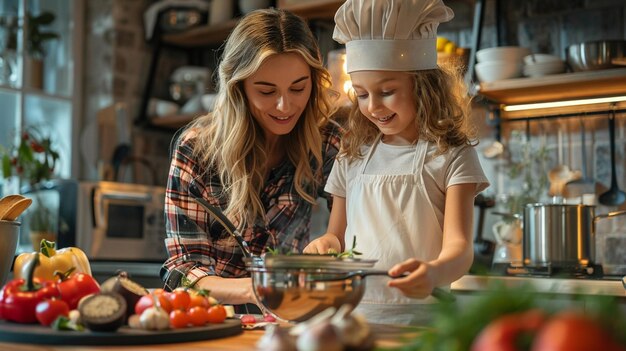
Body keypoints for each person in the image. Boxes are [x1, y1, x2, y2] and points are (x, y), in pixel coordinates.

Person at [304, 0, 490, 325]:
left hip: (425, 322)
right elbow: (337, 234)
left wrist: (433, 273)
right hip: (354, 318)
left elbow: (460, 249)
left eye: (387, 91)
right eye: (361, 95)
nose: (373, 106)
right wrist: (324, 244)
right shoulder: (352, 156)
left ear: (424, 88)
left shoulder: (451, 155)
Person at [160, 8, 342, 308]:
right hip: (216, 320)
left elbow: (356, 223)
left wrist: (332, 243)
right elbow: (184, 270)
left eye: (298, 88)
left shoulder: (325, 141)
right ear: (238, 86)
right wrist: (257, 289)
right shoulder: (196, 150)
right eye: (266, 91)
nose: (285, 106)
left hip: (286, 318)